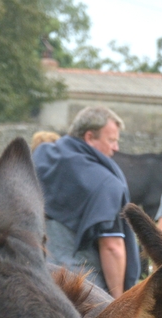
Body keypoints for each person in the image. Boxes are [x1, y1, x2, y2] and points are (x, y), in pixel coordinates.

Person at [33, 106, 139, 297]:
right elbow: (112, 246)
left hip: (34, 278)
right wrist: (117, 302)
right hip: (79, 291)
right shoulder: (106, 184)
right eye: (112, 140)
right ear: (89, 137)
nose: (116, 148)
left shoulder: (40, 158)